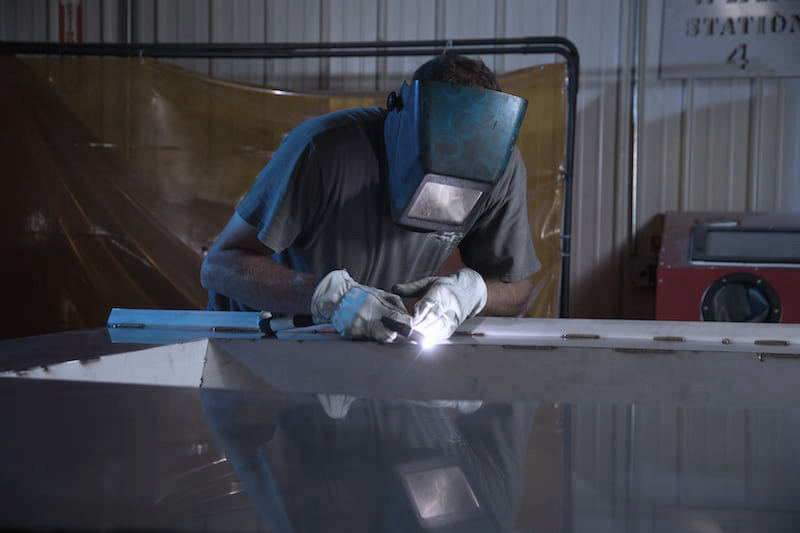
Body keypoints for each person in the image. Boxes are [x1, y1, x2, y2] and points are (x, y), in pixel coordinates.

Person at [200, 53, 540, 342]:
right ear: (398, 119)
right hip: (260, 338)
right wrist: (324, 297)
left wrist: (471, 293)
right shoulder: (322, 149)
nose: (442, 201)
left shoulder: (500, 169)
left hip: (364, 342)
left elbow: (517, 288)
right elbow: (218, 266)